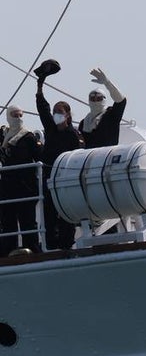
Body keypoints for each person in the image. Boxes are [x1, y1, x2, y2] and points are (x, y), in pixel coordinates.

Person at [35, 71, 82, 250]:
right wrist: (40, 85)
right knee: (49, 213)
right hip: (49, 178)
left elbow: (78, 156)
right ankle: (51, 245)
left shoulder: (74, 135)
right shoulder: (51, 129)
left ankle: (66, 245)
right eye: (55, 113)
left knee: (66, 213)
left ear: (68, 115)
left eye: (60, 113)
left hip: (66, 180)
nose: (56, 115)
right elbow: (42, 109)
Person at [0, 106, 42, 254]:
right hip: (7, 187)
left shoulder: (28, 137)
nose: (18, 119)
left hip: (26, 186)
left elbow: (39, 157)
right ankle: (7, 251)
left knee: (27, 221)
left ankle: (33, 250)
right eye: (14, 115)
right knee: (8, 221)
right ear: (8, 117)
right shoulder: (3, 136)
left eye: (20, 115)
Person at [81, 68, 127, 148]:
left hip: (108, 154)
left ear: (104, 99)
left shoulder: (111, 115)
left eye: (99, 98)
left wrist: (107, 83)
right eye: (92, 99)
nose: (95, 101)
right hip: (89, 155)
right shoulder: (84, 123)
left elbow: (121, 101)